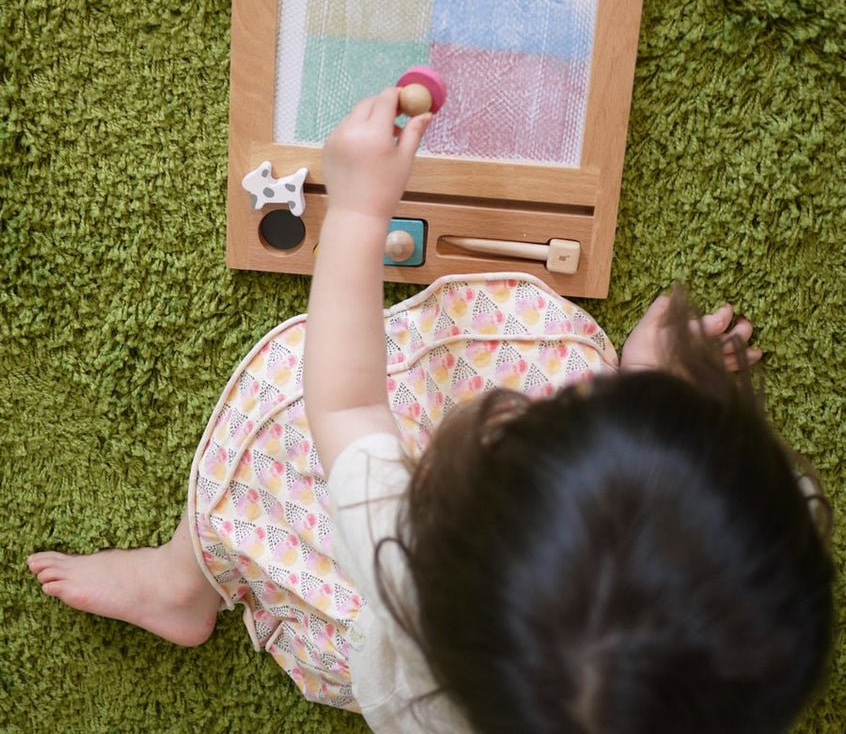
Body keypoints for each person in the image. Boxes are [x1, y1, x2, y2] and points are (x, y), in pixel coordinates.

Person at [28, 87, 833, 734]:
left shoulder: (406, 558)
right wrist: (655, 380)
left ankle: (181, 582)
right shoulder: (760, 564)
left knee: (266, 446)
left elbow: (343, 400)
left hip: (371, 606)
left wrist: (357, 213)